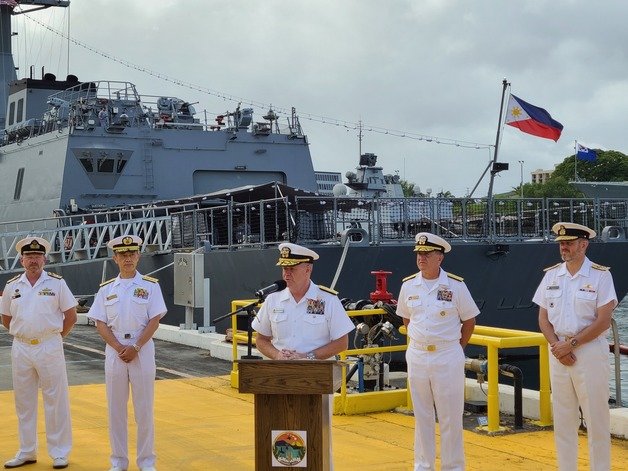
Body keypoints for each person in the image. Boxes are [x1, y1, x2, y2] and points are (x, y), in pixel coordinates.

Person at [251, 242, 355, 468]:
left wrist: (307, 358)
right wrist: (278, 355)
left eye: (292, 268)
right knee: (278, 437)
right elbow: (261, 340)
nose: (286, 273)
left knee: (318, 440)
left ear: (308, 269)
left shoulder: (327, 300)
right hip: (279, 380)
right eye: (284, 268)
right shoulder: (273, 301)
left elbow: (341, 342)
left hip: (316, 379)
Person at [533, 222, 617, 470]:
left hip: (588, 352)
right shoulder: (551, 275)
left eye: (569, 243)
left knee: (596, 419)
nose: (564, 247)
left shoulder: (600, 275)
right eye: (561, 243)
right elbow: (543, 318)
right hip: (558, 351)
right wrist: (559, 347)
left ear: (584, 244)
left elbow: (603, 321)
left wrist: (571, 344)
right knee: (563, 418)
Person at [396, 232, 479, 471]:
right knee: (421, 415)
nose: (421, 258)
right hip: (418, 354)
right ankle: (423, 466)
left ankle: (453, 467)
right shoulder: (408, 285)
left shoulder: (455, 285)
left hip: (447, 355)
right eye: (419, 254)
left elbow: (469, 321)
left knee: (450, 417)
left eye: (427, 254)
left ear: (439, 257)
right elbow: (407, 317)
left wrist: (456, 348)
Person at [87, 235, 167, 471]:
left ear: (138, 256)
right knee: (116, 410)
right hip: (115, 351)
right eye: (123, 255)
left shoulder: (150, 286)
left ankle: (146, 462)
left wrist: (136, 347)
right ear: (115, 258)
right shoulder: (106, 289)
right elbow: (100, 322)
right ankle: (118, 462)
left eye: (132, 254)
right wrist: (117, 347)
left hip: (141, 349)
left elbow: (155, 320)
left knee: (144, 410)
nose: (128, 258)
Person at [0, 236, 77, 469]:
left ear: (44, 258)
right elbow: (5, 318)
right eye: (29, 256)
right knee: (24, 402)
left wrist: (53, 339)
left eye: (37, 256)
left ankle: (59, 452)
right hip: (21, 346)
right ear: (21, 260)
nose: (34, 260)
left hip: (49, 345)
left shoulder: (56, 283)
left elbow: (71, 316)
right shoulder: (12, 286)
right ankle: (26, 451)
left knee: (56, 400)